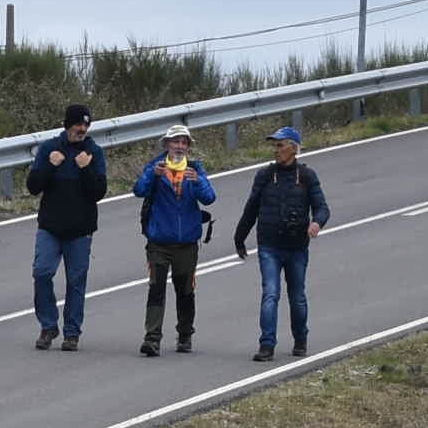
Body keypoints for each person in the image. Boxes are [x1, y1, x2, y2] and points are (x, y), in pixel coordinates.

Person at [232, 125, 330, 362]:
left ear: (294, 149)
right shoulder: (264, 175)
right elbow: (251, 209)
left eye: (280, 145)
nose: (276, 150)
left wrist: (317, 223)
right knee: (270, 294)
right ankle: (267, 345)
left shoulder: (307, 176)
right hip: (269, 246)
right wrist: (239, 237)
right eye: (274, 146)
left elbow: (322, 208)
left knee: (297, 297)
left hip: (297, 247)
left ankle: (300, 340)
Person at [131, 124, 218, 358]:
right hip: (159, 241)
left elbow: (209, 198)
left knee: (185, 291)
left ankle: (185, 334)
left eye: (183, 142)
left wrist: (198, 181)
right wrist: (152, 175)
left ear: (188, 146)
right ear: (167, 144)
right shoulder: (156, 167)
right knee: (156, 288)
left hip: (187, 242)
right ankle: (152, 338)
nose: (179, 146)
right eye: (175, 142)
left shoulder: (195, 169)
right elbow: (138, 191)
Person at [27, 101, 108, 352]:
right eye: (77, 124)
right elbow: (33, 186)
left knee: (75, 282)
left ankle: (72, 333)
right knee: (42, 273)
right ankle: (48, 326)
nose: (82, 129)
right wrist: (50, 166)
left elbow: (98, 192)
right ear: (67, 124)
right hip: (50, 228)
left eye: (85, 125)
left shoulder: (94, 152)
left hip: (80, 230)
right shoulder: (49, 149)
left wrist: (85, 169)